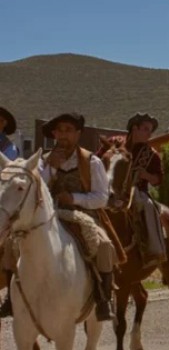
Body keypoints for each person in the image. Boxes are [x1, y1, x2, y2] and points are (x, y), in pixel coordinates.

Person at [14, 113, 122, 321]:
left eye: (69, 130)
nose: (63, 135)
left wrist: (74, 198)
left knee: (104, 245)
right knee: (14, 243)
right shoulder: (42, 161)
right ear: (54, 133)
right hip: (46, 216)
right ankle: (14, 297)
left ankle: (103, 298)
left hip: (82, 216)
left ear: (78, 134)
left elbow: (101, 197)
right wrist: (51, 167)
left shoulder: (92, 161)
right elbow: (34, 191)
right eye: (60, 130)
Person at [123, 113, 167, 268]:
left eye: (151, 130)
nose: (149, 134)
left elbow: (158, 180)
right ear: (134, 129)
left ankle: (155, 250)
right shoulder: (116, 144)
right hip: (112, 189)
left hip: (137, 191)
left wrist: (146, 175)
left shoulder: (152, 155)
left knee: (148, 206)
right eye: (146, 129)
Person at [0, 106, 21, 318]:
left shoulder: (9, 148)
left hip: (3, 198)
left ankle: (11, 295)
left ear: (4, 123)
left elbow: (8, 174)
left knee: (9, 240)